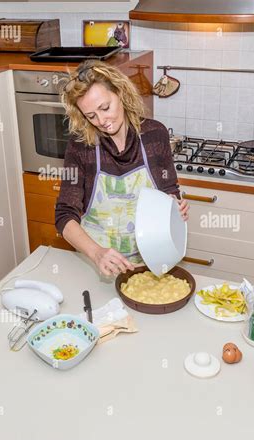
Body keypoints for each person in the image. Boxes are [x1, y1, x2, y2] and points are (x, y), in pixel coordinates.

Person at [55, 60, 189, 277]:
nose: (101, 121)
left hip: (150, 263)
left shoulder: (155, 135)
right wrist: (97, 253)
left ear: (120, 92)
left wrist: (174, 205)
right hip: (97, 264)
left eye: (105, 108)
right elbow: (64, 215)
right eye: (91, 116)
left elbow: (168, 188)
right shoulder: (81, 147)